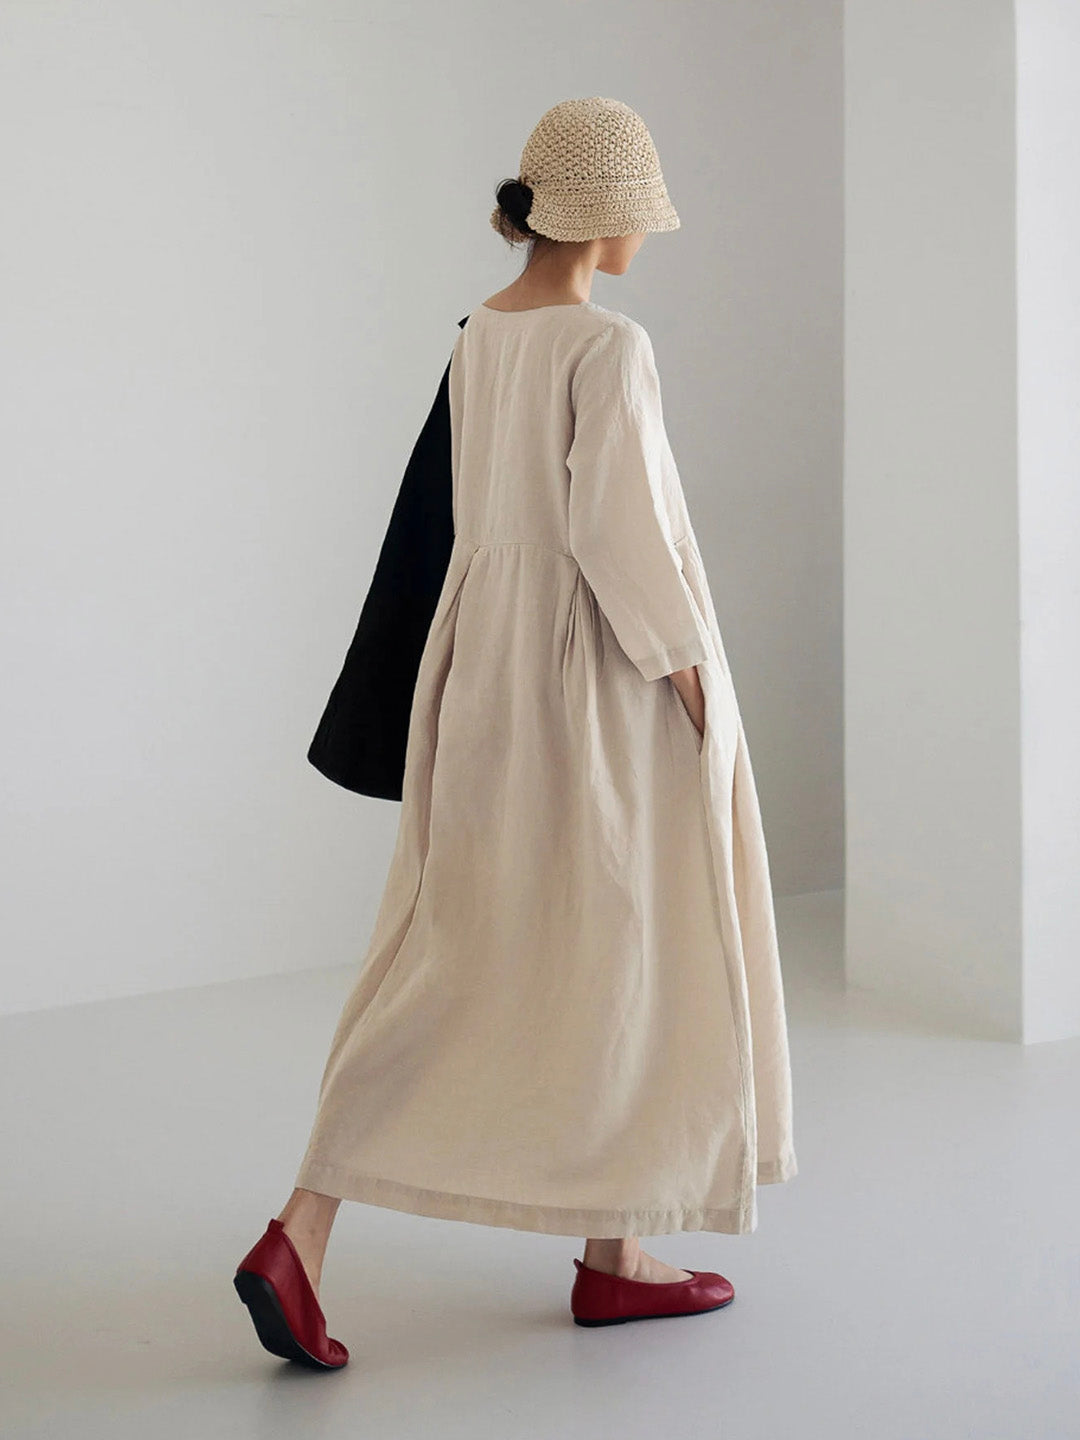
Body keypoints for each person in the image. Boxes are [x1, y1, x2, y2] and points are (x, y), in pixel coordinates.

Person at [234, 95, 797, 1369]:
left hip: (479, 665)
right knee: (630, 936)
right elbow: (620, 535)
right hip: (594, 676)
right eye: (641, 213)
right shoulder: (609, 346)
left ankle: (579, 1249)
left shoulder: (480, 335)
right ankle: (565, 1252)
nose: (649, 236)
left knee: (456, 940)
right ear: (602, 220)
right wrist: (694, 689)